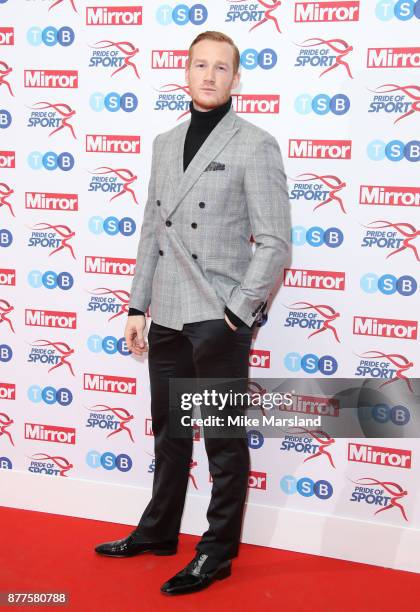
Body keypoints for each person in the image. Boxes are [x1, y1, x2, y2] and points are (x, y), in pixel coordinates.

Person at [95, 30, 291, 595]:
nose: (209, 76)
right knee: (169, 434)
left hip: (218, 315)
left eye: (221, 67)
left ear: (236, 78)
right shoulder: (164, 141)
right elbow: (153, 230)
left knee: (224, 443)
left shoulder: (255, 144)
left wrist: (238, 310)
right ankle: (159, 530)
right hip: (168, 314)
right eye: (200, 65)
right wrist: (137, 304)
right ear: (185, 73)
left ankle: (217, 551)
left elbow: (276, 241)